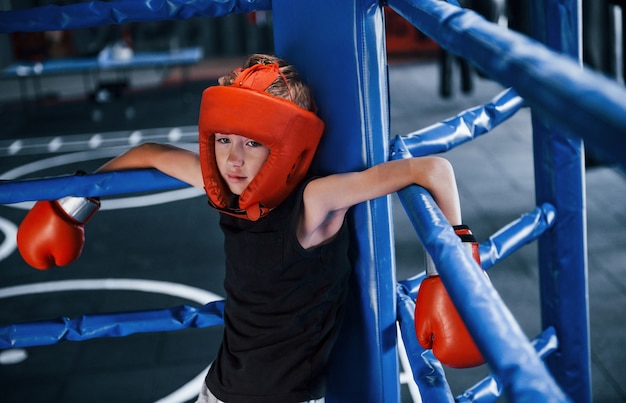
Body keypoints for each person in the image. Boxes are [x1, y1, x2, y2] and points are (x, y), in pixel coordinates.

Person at [17, 53, 484, 402]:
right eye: (224, 139)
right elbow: (150, 153)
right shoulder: (227, 188)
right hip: (220, 390)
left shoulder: (314, 202)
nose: (233, 158)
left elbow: (434, 171)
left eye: (252, 144)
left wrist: (450, 274)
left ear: (288, 148)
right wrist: (71, 207)